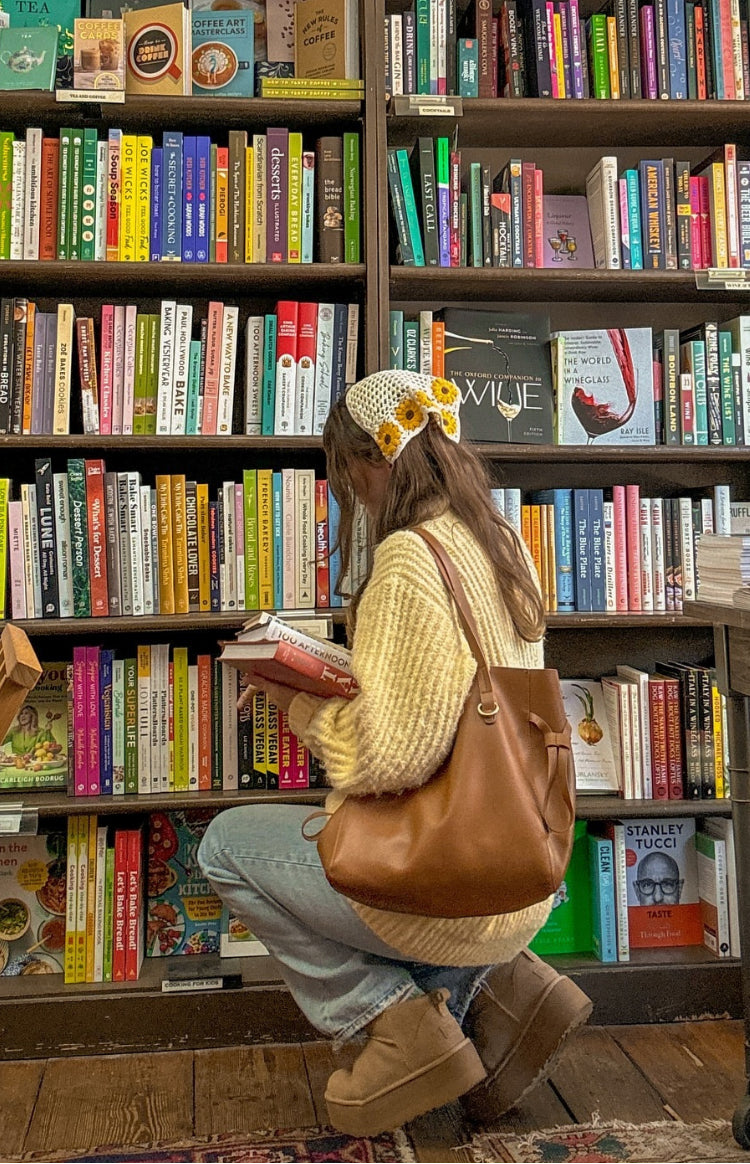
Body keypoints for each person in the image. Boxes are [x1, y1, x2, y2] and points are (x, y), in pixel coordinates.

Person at [197, 370, 592, 1135]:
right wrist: (334, 667)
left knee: (226, 844)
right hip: (517, 873)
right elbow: (448, 697)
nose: (352, 492)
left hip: (447, 883)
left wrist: (292, 697)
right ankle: (494, 992)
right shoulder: (499, 541)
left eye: (348, 472)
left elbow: (381, 761)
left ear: (376, 461)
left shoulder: (409, 561)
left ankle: (401, 1023)